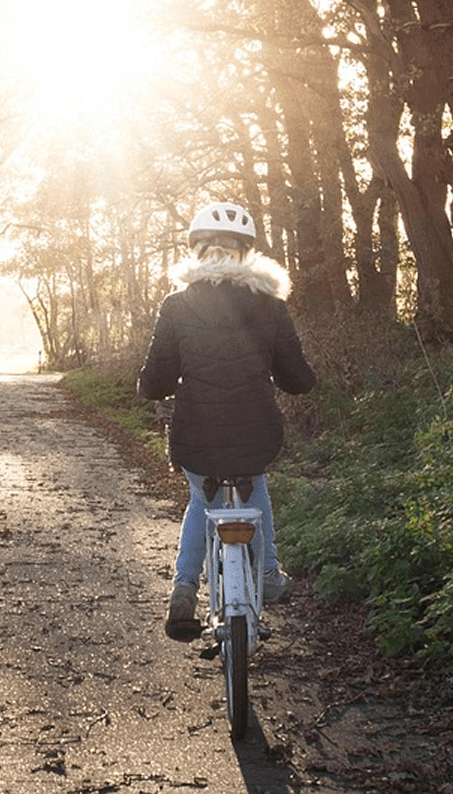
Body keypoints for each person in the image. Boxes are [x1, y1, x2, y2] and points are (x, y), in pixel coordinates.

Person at [136, 201, 317, 641]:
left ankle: (184, 588)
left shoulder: (177, 305)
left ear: (198, 252)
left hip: (194, 435)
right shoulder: (271, 305)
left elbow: (154, 379)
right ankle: (269, 572)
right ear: (246, 253)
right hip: (256, 431)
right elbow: (298, 379)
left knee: (202, 495)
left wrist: (153, 388)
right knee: (255, 480)